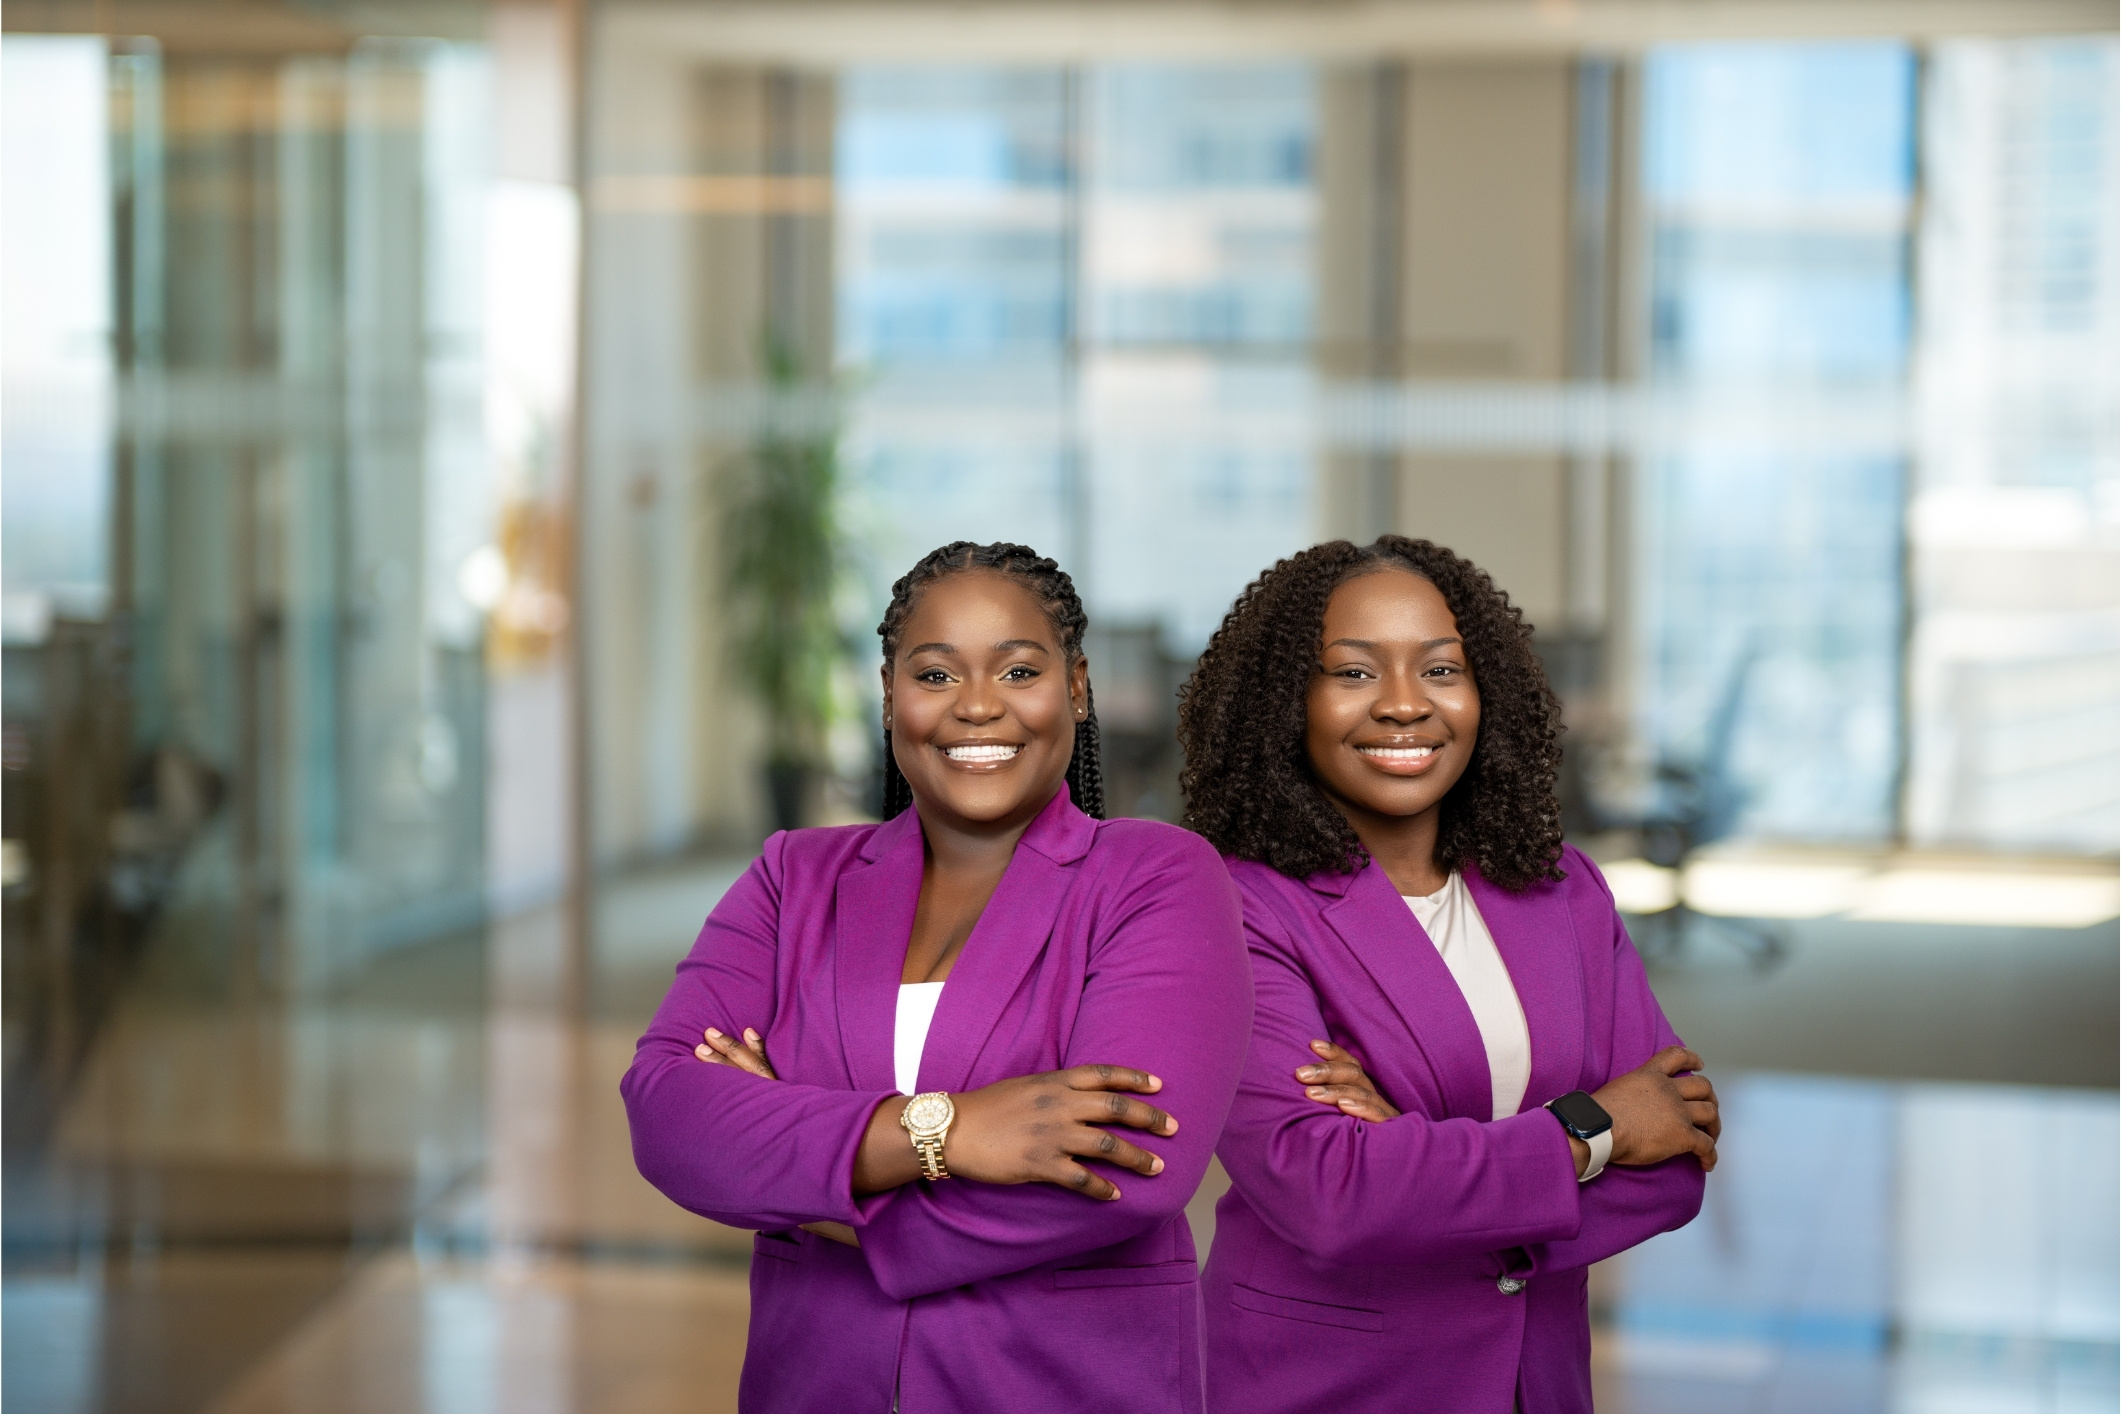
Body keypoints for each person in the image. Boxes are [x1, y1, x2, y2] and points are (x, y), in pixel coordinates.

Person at [622, 541, 1252, 1413]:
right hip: (816, 1385)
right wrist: (943, 1130)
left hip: (1064, 1388)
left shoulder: (1155, 876)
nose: (979, 707)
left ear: (1075, 686)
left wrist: (806, 1186)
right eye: (935, 675)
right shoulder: (792, 877)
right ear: (889, 696)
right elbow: (667, 1113)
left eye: (1019, 670)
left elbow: (1131, 1166)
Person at [1178, 536, 1718, 1414]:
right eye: (1353, 674)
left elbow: (1675, 1153)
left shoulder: (1559, 888)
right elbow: (1332, 1195)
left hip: (1534, 1382)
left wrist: (1415, 1159)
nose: (1402, 705)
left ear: (1484, 693)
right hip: (1321, 1384)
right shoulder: (1236, 911)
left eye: (1439, 669)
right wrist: (1590, 1128)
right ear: (1286, 704)